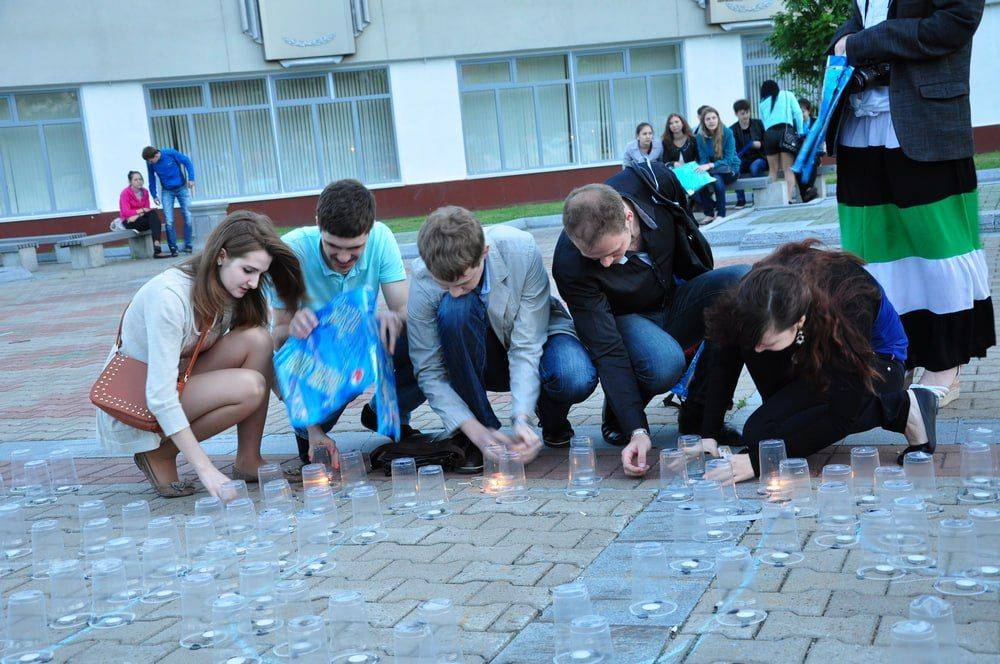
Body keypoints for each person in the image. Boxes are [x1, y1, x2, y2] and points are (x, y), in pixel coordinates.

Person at [829, 0, 992, 406]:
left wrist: (868, 41)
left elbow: (956, 21)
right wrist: (842, 40)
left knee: (936, 246)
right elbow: (860, 19)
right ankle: (899, 356)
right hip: (863, 120)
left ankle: (944, 361)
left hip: (924, 118)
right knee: (874, 253)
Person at [551, 165, 748, 478]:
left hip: (673, 297)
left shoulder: (653, 181)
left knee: (741, 283)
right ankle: (620, 414)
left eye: (613, 252)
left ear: (629, 218)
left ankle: (700, 414)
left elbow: (688, 230)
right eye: (596, 259)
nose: (605, 264)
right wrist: (638, 431)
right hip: (626, 318)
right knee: (664, 361)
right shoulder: (570, 265)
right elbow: (607, 350)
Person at [95, 211, 304, 498]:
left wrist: (309, 422)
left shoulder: (229, 290)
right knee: (250, 386)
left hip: (180, 382)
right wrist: (207, 471)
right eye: (248, 271)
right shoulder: (169, 297)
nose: (254, 283)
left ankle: (248, 460)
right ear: (221, 255)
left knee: (258, 340)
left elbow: (268, 368)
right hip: (140, 402)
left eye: (260, 274)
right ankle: (158, 453)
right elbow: (160, 394)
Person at [697, 241, 938, 484]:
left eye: (767, 343)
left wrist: (760, 462)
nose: (757, 350)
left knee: (765, 438)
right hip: (815, 355)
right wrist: (710, 432)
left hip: (876, 363)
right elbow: (724, 361)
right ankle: (792, 420)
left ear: (799, 321)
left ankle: (904, 408)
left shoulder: (848, 299)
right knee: (762, 434)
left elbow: (846, 409)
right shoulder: (753, 294)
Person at [408, 207, 598, 471]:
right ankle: (482, 432)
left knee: (574, 374)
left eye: (463, 281)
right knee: (454, 310)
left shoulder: (520, 249)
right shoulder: (422, 275)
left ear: (483, 254)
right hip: (475, 354)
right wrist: (474, 428)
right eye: (443, 285)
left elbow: (527, 346)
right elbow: (429, 369)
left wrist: (521, 418)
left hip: (535, 337)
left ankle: (550, 416)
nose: (453, 292)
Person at [270, 179, 425, 478]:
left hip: (363, 347)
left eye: (354, 249)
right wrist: (293, 327)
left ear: (370, 231)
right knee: (313, 437)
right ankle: (309, 431)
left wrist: (394, 318)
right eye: (333, 247)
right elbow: (276, 341)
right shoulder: (291, 251)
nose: (343, 258)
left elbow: (404, 310)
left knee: (421, 329)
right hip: (317, 364)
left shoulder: (382, 238)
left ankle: (388, 413)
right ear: (318, 225)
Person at [142, 145, 196, 255]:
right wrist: (154, 195)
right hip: (167, 191)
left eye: (152, 160)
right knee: (169, 220)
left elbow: (187, 162)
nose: (151, 163)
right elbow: (151, 178)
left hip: (182, 188)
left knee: (188, 217)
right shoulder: (150, 162)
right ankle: (173, 248)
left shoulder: (170, 153)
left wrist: (191, 178)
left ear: (156, 155)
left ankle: (188, 245)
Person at [758, 80, 803, 203]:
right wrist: (800, 131)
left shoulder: (762, 103)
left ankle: (771, 200)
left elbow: (764, 122)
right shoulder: (788, 95)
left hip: (769, 135)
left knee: (773, 171)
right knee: (788, 169)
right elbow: (798, 113)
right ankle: (787, 199)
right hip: (785, 132)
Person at [694, 106, 740, 223]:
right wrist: (704, 167)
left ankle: (721, 214)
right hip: (713, 169)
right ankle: (709, 214)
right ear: (703, 122)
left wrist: (710, 166)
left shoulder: (727, 132)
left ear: (718, 119)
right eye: (708, 119)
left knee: (717, 179)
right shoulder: (700, 137)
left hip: (730, 169)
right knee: (700, 179)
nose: (711, 121)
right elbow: (703, 158)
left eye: (714, 118)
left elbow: (729, 159)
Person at [116, 171, 168, 258]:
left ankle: (157, 248)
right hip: (129, 222)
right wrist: (141, 210)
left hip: (138, 219)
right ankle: (157, 249)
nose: (139, 181)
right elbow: (125, 212)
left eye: (140, 179)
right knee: (155, 220)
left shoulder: (145, 192)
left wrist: (138, 214)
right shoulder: (125, 193)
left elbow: (147, 209)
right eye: (135, 180)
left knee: (153, 214)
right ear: (130, 182)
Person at [729, 99, 767, 209]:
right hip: (742, 159)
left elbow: (766, 142)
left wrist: (760, 144)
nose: (745, 116)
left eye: (747, 112)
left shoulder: (758, 124)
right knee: (736, 168)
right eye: (742, 113)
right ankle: (741, 199)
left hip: (759, 157)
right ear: (736, 114)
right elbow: (732, 150)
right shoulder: (732, 129)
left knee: (755, 167)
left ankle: (757, 197)